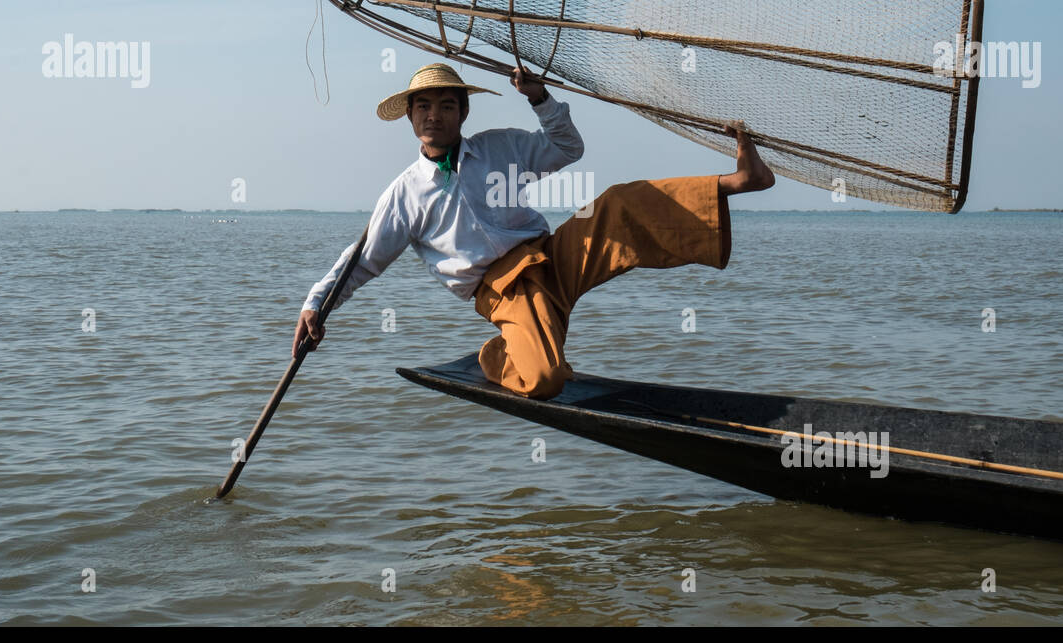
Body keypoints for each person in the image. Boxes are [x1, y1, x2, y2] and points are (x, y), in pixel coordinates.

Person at [294, 62, 774, 399]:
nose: (433, 115)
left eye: (445, 105)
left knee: (618, 203)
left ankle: (738, 181)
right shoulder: (403, 195)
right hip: (503, 290)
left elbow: (567, 149)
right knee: (545, 380)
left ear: (463, 113)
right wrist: (317, 304)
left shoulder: (499, 147)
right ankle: (496, 357)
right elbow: (362, 262)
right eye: (423, 107)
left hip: (550, 255)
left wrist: (540, 99)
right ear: (410, 116)